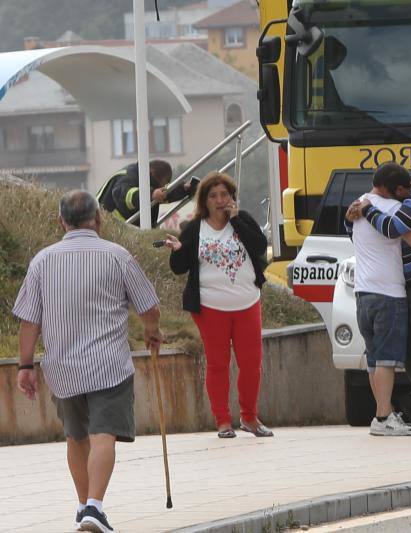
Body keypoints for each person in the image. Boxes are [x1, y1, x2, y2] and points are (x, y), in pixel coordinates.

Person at [14, 190, 163, 533]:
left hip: (63, 368)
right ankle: (94, 507)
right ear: (98, 219)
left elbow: (29, 322)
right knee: (102, 436)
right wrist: (152, 331)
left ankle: (85, 508)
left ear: (61, 221)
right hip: (108, 366)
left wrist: (25, 366)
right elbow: (149, 307)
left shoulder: (42, 261)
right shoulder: (117, 256)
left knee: (76, 438)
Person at [164, 172, 272, 439]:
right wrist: (177, 250)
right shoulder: (194, 229)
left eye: (224, 194)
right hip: (210, 307)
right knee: (218, 363)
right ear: (204, 201)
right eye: (213, 196)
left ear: (231, 196)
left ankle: (249, 417)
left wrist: (236, 220)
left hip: (247, 302)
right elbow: (179, 269)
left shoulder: (241, 220)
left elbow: (259, 246)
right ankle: (223, 421)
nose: (219, 200)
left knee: (251, 364)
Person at [347, 162, 411, 436]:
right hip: (403, 288)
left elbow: (403, 234)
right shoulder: (392, 202)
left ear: (399, 189)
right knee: (408, 355)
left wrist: (366, 210)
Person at [97, 160, 195, 227]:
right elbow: (124, 196)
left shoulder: (144, 178)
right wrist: (151, 194)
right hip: (106, 226)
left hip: (124, 227)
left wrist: (184, 189)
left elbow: (163, 194)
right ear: (150, 174)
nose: (157, 190)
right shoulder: (127, 177)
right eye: (156, 185)